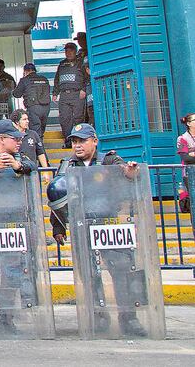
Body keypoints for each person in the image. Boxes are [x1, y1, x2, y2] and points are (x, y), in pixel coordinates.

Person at [48, 123, 144, 336]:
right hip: (83, 226)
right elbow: (56, 199)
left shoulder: (109, 160)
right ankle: (99, 317)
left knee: (123, 273)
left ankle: (129, 318)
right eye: (74, 141)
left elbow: (127, 173)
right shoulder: (68, 166)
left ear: (94, 141)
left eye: (82, 141)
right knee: (90, 275)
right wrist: (58, 227)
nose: (77, 145)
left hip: (109, 226)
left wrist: (131, 172)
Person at [0, 120, 37, 334]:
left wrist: (18, 166)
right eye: (15, 138)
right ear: (2, 139)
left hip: (16, 226)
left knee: (12, 274)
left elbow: (34, 167)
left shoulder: (20, 158)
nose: (20, 140)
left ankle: (8, 316)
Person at [53, 43, 88, 144]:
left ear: (75, 51)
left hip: (77, 94)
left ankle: (79, 140)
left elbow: (87, 77)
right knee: (64, 118)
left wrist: (84, 89)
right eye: (66, 51)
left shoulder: (81, 63)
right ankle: (68, 141)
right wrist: (55, 93)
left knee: (78, 118)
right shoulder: (62, 64)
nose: (68, 53)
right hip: (64, 95)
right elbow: (57, 79)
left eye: (70, 51)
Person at [12, 63, 51, 137]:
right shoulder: (44, 79)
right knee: (41, 129)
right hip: (46, 107)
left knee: (35, 130)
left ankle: (38, 147)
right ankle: (40, 145)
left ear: (25, 71)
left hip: (33, 107)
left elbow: (16, 94)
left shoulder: (25, 80)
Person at [74, 32, 93, 125]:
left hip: (88, 87)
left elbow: (88, 74)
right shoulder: (80, 53)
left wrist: (84, 89)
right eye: (78, 40)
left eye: (81, 40)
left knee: (90, 112)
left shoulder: (91, 51)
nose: (80, 42)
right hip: (80, 86)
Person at [178, 113, 195, 214]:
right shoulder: (182, 138)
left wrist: (193, 154)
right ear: (188, 123)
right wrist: (190, 155)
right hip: (190, 173)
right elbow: (186, 157)